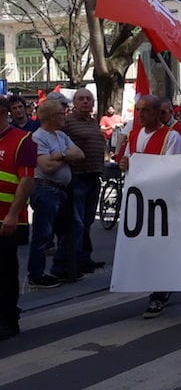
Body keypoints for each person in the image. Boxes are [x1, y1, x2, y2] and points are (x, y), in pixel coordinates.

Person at [119, 96, 181, 318]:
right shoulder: (134, 135)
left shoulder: (171, 136)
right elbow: (127, 163)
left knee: (162, 245)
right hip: (140, 201)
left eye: (145, 110)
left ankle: (161, 291)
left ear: (158, 113)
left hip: (162, 202)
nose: (140, 115)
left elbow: (172, 168)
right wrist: (124, 164)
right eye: (138, 111)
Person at [26, 99, 85, 288]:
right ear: (51, 116)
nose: (65, 116)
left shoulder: (61, 135)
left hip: (62, 190)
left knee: (74, 226)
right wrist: (66, 156)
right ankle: (36, 274)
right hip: (46, 189)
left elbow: (80, 154)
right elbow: (47, 166)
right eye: (61, 113)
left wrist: (60, 155)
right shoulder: (38, 137)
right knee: (43, 234)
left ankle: (60, 267)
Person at [59, 87, 108, 278]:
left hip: (93, 176)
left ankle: (85, 258)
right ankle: (71, 261)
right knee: (77, 222)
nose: (86, 102)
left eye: (89, 99)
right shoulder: (68, 123)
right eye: (81, 99)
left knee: (87, 221)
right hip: (77, 177)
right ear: (74, 103)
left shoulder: (93, 122)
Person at [0, 96, 37, 341]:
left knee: (4, 270)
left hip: (9, 219)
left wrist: (13, 214)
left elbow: (26, 180)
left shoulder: (23, 140)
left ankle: (8, 318)